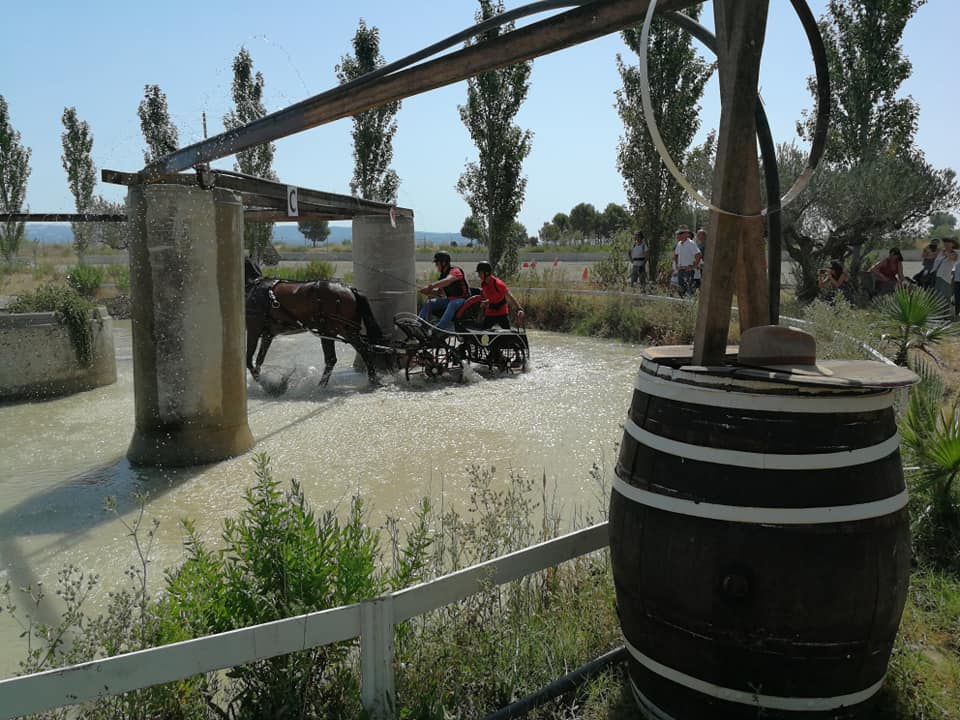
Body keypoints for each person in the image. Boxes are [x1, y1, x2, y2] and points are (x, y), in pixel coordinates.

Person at [419, 251, 470, 330]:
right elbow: (440, 292)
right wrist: (428, 291)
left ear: (443, 263)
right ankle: (419, 325)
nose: (436, 266)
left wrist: (430, 286)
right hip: (449, 300)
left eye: (437, 263)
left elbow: (448, 280)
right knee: (429, 303)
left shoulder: (455, 271)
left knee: (452, 304)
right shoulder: (442, 275)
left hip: (462, 300)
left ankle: (440, 328)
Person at [475, 261, 525, 329]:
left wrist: (519, 309)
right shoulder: (483, 284)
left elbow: (509, 296)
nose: (478, 275)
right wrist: (486, 302)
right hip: (490, 313)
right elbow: (492, 298)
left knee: (508, 335)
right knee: (482, 335)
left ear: (486, 273)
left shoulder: (498, 284)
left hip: (502, 313)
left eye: (480, 273)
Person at [673, 226, 701, 296]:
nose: (679, 235)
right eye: (679, 233)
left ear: (686, 234)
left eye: (681, 233)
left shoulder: (691, 243)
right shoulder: (679, 244)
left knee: (689, 289)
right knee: (681, 289)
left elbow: (698, 255)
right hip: (681, 270)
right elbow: (676, 255)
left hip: (688, 270)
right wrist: (677, 266)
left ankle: (689, 304)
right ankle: (683, 305)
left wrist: (693, 267)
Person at [933, 238, 957, 304]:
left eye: (949, 242)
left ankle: (946, 313)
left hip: (946, 279)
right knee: (937, 296)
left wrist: (946, 252)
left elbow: (953, 258)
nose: (946, 244)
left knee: (945, 297)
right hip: (938, 276)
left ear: (953, 244)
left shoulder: (954, 253)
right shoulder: (941, 252)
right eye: (945, 242)